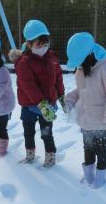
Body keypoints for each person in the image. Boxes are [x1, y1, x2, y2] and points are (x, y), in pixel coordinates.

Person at [65, 32, 106, 188]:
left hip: (103, 123)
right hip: (86, 121)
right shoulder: (82, 68)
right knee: (88, 150)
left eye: (80, 62)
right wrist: (69, 101)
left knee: (101, 151)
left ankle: (99, 181)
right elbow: (80, 91)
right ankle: (88, 177)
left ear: (90, 55)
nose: (78, 66)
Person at [11, 20, 66, 168]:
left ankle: (50, 156)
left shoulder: (52, 58)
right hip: (30, 105)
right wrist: (42, 104)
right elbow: (28, 86)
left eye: (45, 44)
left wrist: (62, 97)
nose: (43, 47)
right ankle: (30, 155)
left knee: (47, 132)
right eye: (38, 44)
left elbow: (58, 79)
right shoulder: (24, 63)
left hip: (49, 104)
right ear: (29, 44)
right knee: (28, 132)